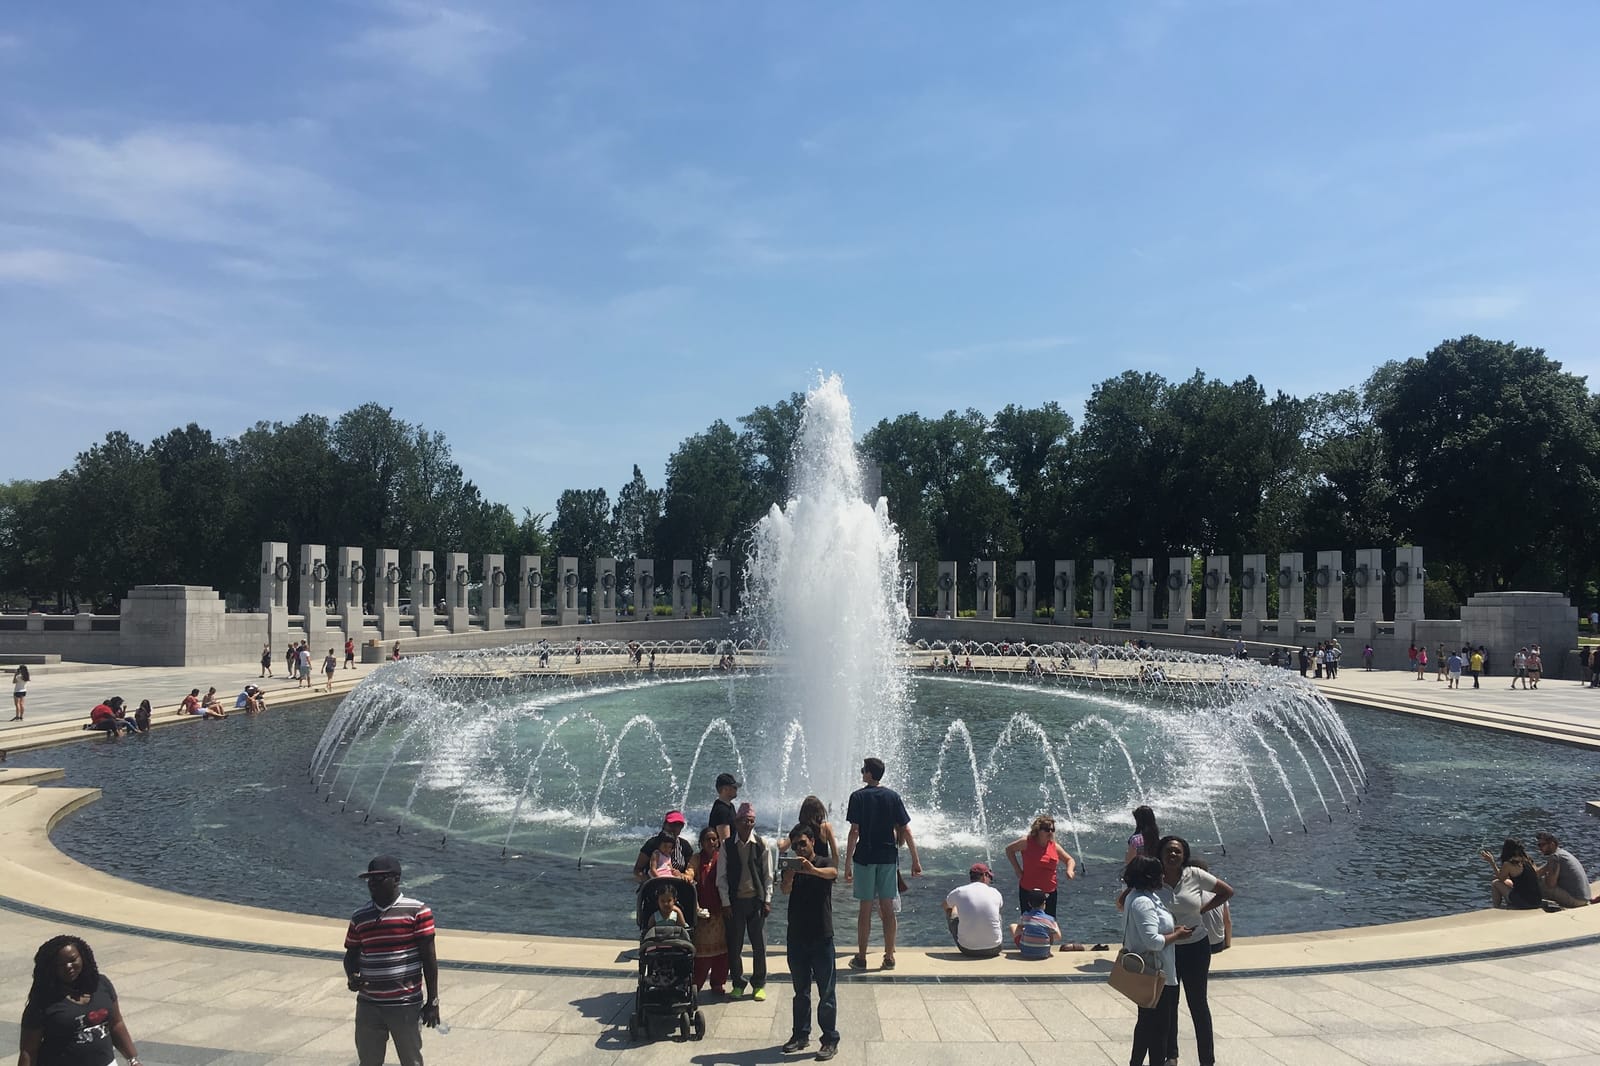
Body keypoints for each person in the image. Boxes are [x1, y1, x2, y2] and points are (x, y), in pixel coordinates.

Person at [345, 855, 439, 1066]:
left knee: (411, 1060)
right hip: (368, 1003)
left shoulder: (417, 911)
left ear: (396, 879)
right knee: (368, 1061)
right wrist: (351, 976)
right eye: (370, 880)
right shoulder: (360, 916)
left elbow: (429, 959)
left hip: (404, 1004)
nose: (372, 884)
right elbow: (351, 954)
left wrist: (433, 1002)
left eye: (379, 879)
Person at [1160, 836, 1234, 1066]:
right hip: (1168, 949)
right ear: (1161, 853)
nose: (1173, 855)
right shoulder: (1153, 877)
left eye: (1177, 852)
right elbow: (1127, 899)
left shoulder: (1194, 874)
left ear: (1184, 855)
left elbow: (1227, 892)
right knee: (1169, 1003)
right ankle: (1171, 1055)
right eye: (1169, 851)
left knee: (1198, 1003)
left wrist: (1202, 909)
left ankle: (1207, 1060)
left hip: (1196, 948)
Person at [844, 756, 922, 971]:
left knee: (865, 909)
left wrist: (847, 864)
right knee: (888, 909)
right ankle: (889, 956)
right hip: (888, 858)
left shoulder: (857, 797)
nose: (861, 773)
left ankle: (861, 957)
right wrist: (915, 860)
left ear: (869, 773)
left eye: (863, 770)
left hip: (865, 859)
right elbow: (905, 829)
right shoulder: (893, 796)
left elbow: (854, 832)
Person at [19, 934, 142, 1066]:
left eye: (73, 960)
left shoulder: (101, 984)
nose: (68, 966)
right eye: (60, 964)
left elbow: (116, 1024)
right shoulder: (43, 1000)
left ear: (82, 957)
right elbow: (29, 1051)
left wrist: (133, 1059)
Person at [1122, 855, 1190, 1066]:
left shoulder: (1140, 896)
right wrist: (1177, 936)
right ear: (1149, 876)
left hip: (1154, 973)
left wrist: (1173, 931)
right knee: (1159, 1030)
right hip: (1156, 974)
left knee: (1146, 1025)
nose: (1163, 874)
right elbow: (1152, 941)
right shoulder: (1143, 902)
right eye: (1159, 872)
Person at [781, 823, 840, 1060]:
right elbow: (785, 891)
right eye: (795, 845)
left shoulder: (823, 863)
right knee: (800, 991)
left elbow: (833, 873)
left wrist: (811, 870)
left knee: (826, 992)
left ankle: (829, 1039)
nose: (799, 848)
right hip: (796, 937)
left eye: (803, 843)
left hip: (821, 936)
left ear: (812, 842)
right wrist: (790, 875)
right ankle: (800, 1034)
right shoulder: (792, 866)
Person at [716, 802, 774, 1000]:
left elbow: (768, 875)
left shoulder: (761, 844)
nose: (748, 825)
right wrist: (725, 903)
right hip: (735, 902)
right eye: (744, 821)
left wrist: (767, 899)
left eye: (751, 821)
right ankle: (738, 983)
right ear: (736, 822)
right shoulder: (727, 846)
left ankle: (759, 984)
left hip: (756, 901)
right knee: (735, 945)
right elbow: (721, 877)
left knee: (760, 946)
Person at [1004, 814, 1078, 934]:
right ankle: (1028, 946)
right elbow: (1009, 850)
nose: (1050, 832)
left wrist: (1069, 870)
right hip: (1029, 890)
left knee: (1050, 924)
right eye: (1047, 829)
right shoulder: (1027, 842)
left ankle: (1045, 947)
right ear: (1038, 830)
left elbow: (1070, 860)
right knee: (1028, 922)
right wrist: (1017, 869)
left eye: (1052, 829)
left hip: (1050, 891)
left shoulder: (1054, 846)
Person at [690, 827, 729, 995]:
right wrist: (687, 875)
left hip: (721, 911)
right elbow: (690, 871)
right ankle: (696, 984)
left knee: (722, 952)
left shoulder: (723, 857)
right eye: (708, 839)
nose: (711, 842)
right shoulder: (696, 858)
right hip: (702, 912)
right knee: (701, 953)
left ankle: (718, 982)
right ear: (701, 842)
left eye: (714, 839)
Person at [943, 862, 1005, 958]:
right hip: (995, 948)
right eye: (990, 877)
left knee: (952, 910)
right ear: (984, 876)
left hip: (968, 949)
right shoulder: (995, 892)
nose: (990, 880)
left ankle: (968, 937)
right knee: (998, 915)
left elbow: (945, 905)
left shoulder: (959, 891)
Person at [1480, 839, 1542, 910]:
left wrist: (1492, 862)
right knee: (1508, 881)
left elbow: (1501, 878)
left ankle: (1496, 908)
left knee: (1495, 883)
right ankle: (1509, 903)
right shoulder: (1528, 859)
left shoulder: (1509, 864)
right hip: (1537, 901)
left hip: (1525, 903)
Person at [1534, 831, 1591, 908]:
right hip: (1585, 898)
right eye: (1538, 845)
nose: (1540, 848)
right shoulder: (1562, 854)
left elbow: (1550, 884)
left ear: (1552, 844)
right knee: (1540, 879)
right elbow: (1539, 872)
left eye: (1542, 845)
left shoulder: (1555, 857)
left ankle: (1527, 901)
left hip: (1576, 900)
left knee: (1540, 883)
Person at [633, 811, 693, 882]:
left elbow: (691, 869)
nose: (674, 828)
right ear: (664, 825)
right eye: (671, 824)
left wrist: (682, 875)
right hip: (654, 882)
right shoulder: (651, 843)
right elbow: (637, 870)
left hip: (678, 883)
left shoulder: (685, 845)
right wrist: (647, 880)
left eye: (678, 825)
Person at [1011, 887, 1061, 959]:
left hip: (1025, 953)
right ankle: (1043, 948)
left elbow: (1019, 928)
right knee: (1049, 931)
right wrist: (1054, 923)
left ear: (1029, 904)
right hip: (1043, 953)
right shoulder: (1049, 919)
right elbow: (1058, 936)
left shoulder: (1025, 916)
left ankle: (1026, 944)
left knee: (1013, 926)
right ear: (1044, 903)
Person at [708, 772, 739, 842]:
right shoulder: (722, 811)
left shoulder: (730, 806)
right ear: (725, 789)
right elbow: (724, 842)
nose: (737, 789)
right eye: (734, 787)